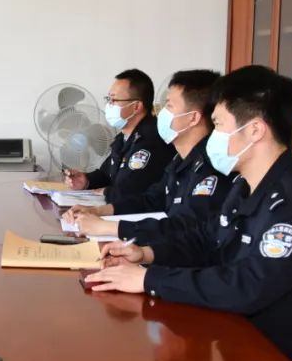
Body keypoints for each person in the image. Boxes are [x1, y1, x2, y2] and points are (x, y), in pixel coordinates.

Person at [86, 65, 292, 361]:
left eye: (219, 125)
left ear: (255, 130)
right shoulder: (246, 185)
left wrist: (149, 279)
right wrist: (146, 252)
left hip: (278, 360)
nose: (213, 136)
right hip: (234, 332)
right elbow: (207, 239)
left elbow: (247, 285)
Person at [64, 69, 232, 245]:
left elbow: (186, 229)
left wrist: (109, 227)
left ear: (193, 118)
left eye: (169, 106)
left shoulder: (212, 166)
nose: (161, 113)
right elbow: (152, 200)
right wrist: (97, 211)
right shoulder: (180, 159)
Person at [64, 68, 174, 203]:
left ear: (136, 106)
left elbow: (131, 189)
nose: (109, 105)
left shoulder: (151, 139)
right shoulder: (124, 137)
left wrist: (107, 192)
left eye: (113, 100)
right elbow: (108, 174)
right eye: (108, 99)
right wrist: (86, 180)